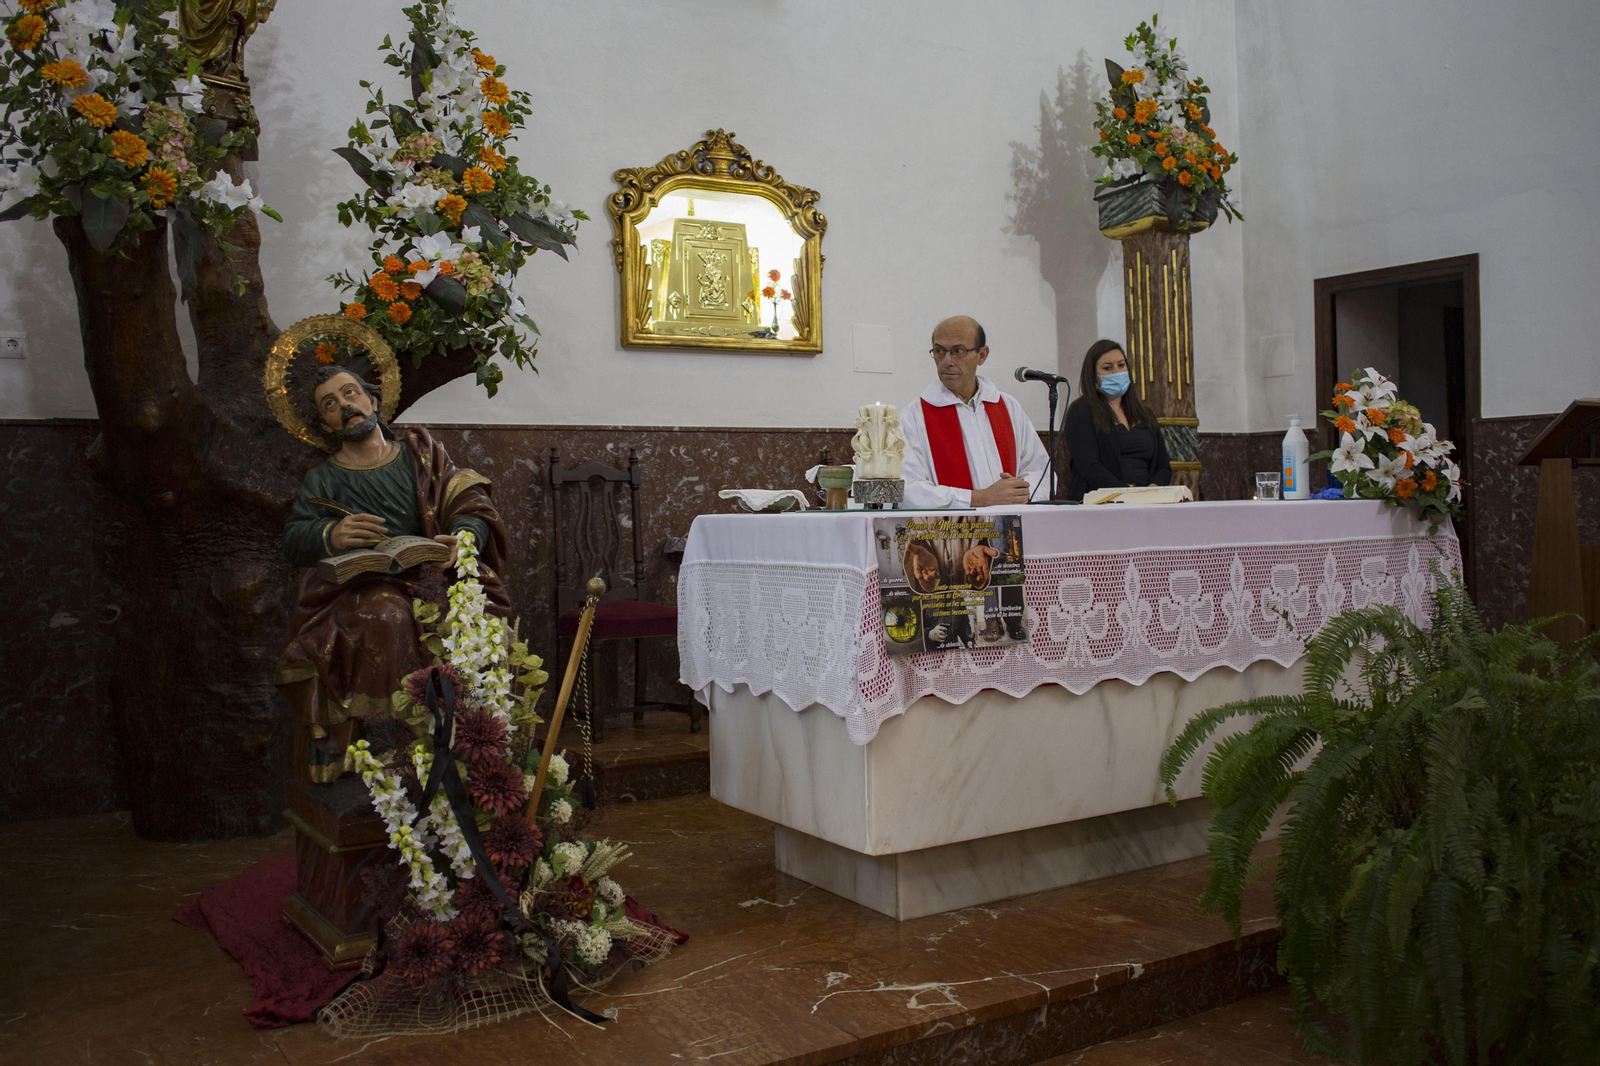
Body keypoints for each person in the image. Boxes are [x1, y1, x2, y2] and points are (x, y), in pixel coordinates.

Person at [273, 365, 511, 783]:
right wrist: (331, 534)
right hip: (358, 588)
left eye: (350, 393)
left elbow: (467, 501)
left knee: (475, 621)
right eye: (330, 404)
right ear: (327, 424)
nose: (345, 405)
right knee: (388, 616)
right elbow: (293, 540)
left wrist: (461, 538)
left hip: (432, 575)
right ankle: (392, 741)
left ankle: (468, 742)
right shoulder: (323, 479)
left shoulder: (421, 456)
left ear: (373, 401)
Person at [899, 316, 1051, 508]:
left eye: (958, 351)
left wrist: (1019, 493)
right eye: (939, 351)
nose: (947, 361)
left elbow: (1041, 471)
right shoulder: (913, 418)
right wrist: (979, 498)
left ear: (982, 355)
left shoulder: (1008, 407)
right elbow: (908, 490)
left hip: (1011, 523)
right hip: (950, 527)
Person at [1063, 338, 1173, 501]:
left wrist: (1152, 489)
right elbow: (1089, 466)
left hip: (1146, 501)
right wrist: (1125, 493)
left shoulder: (1145, 414)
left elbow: (1163, 466)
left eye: (1121, 365)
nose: (1117, 372)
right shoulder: (1081, 411)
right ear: (1093, 376)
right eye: (1108, 368)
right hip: (1101, 502)